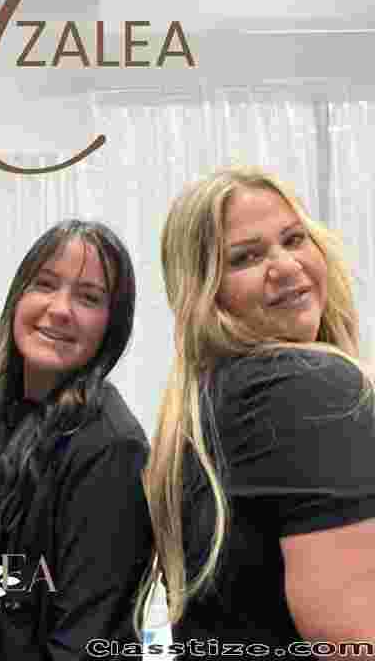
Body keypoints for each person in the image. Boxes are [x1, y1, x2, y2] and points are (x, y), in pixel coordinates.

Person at [141, 166, 375, 653]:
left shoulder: (211, 400)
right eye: (245, 258)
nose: (286, 266)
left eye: (294, 239)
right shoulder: (308, 388)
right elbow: (353, 640)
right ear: (206, 292)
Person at [0, 219, 152, 659]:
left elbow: (86, 643)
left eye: (88, 297)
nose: (59, 309)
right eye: (45, 284)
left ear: (112, 326)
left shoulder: (111, 447)